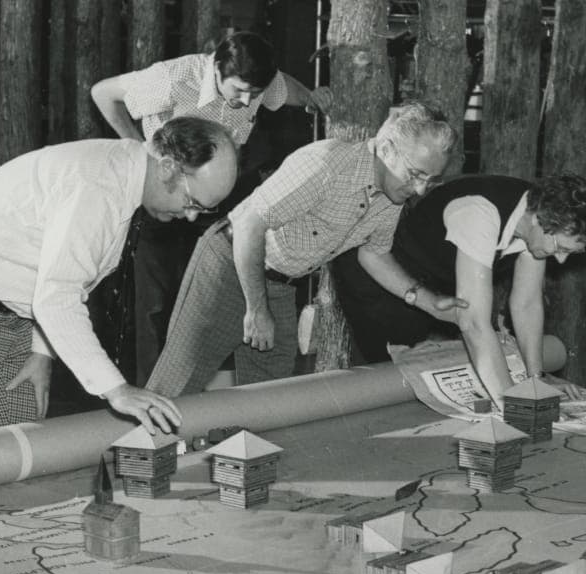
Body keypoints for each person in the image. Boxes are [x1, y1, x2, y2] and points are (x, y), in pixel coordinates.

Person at [0, 116, 238, 441]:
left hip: (8, 308)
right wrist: (117, 390)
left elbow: (63, 275)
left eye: (203, 210)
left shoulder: (127, 180)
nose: (191, 216)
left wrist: (42, 350)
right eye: (192, 203)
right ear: (168, 167)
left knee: (17, 446)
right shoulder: (100, 186)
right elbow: (58, 298)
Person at [146, 101, 462, 397]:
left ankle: (246, 452)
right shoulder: (327, 165)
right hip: (229, 262)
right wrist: (256, 308)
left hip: (280, 283)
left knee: (272, 395)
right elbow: (249, 224)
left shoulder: (392, 197)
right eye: (416, 174)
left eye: (430, 181)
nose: (419, 189)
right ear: (387, 149)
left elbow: (374, 254)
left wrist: (431, 303)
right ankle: (138, 453)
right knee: (178, 384)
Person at [91, 32, 334, 381]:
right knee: (156, 306)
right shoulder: (174, 78)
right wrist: (138, 150)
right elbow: (103, 93)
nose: (247, 99)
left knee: (213, 301)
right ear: (217, 68)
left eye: (254, 93)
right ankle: (152, 395)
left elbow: (284, 91)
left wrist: (312, 98)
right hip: (166, 199)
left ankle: (212, 400)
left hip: (216, 202)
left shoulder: (257, 83)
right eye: (239, 90)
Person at [332, 173, 586, 407]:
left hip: (436, 291)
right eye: (560, 247)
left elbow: (527, 303)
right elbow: (474, 324)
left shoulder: (539, 216)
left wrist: (535, 380)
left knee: (421, 379)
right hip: (380, 282)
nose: (560, 259)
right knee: (380, 385)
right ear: (539, 219)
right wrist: (512, 403)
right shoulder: (480, 213)